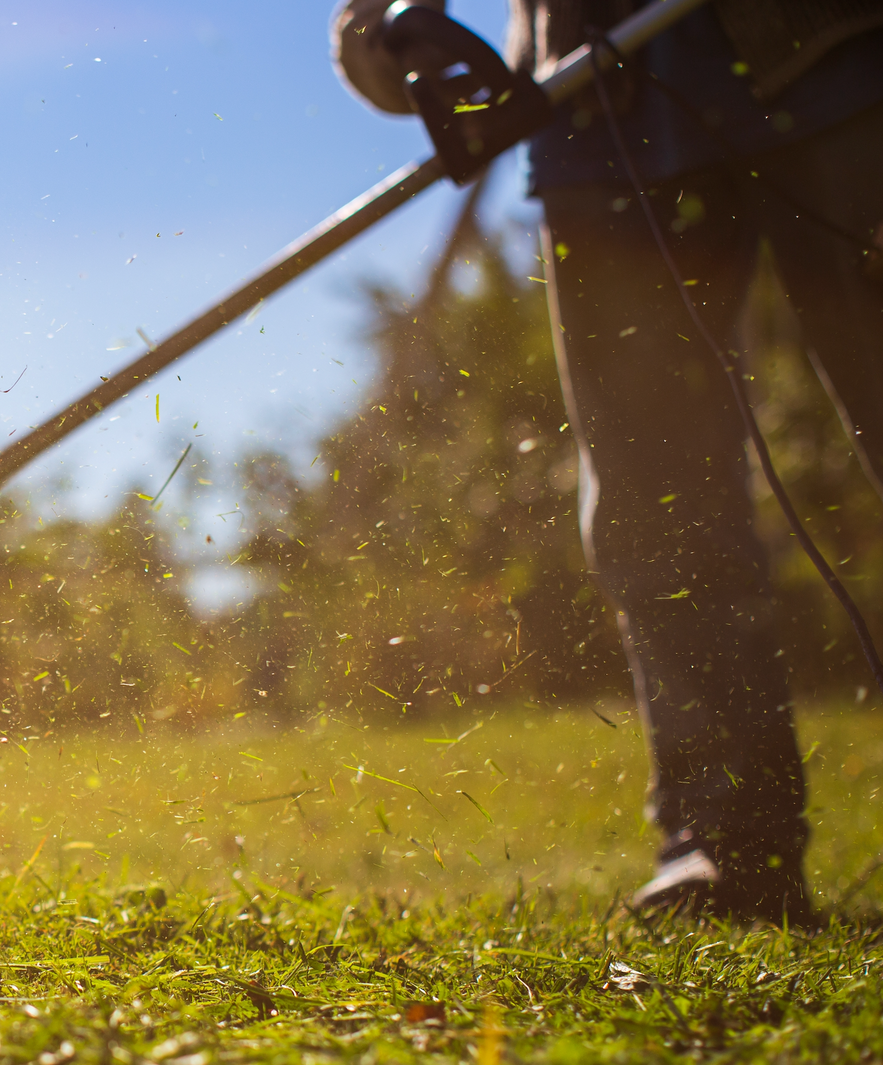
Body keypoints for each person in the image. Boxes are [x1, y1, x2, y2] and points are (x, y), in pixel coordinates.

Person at [332, 0, 883, 923]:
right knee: (653, 490)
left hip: (831, 57)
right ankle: (727, 844)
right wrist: (391, 30)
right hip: (594, 105)